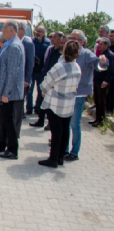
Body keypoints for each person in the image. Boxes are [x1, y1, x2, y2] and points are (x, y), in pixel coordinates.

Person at [64, 30, 109, 162]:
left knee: (74, 123)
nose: (71, 40)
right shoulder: (68, 53)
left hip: (79, 93)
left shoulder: (87, 54)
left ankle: (74, 152)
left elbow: (99, 66)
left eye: (74, 38)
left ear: (82, 42)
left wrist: (103, 62)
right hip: (68, 92)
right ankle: (64, 149)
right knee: (66, 123)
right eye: (70, 37)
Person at [38, 40, 82, 168]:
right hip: (69, 103)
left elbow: (46, 82)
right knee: (65, 130)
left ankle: (53, 158)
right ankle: (60, 157)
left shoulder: (60, 67)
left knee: (56, 132)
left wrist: (43, 90)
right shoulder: (76, 67)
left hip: (56, 103)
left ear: (64, 50)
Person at [0, 20, 25, 160]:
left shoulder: (14, 47)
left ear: (11, 31)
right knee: (3, 119)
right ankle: (1, 144)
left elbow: (12, 73)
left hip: (8, 92)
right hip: (4, 90)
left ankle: (12, 149)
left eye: (4, 28)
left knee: (8, 120)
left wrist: (5, 93)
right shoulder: (10, 45)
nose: (2, 31)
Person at [30, 31, 64, 130]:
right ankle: (40, 120)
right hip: (46, 78)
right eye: (52, 37)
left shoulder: (60, 53)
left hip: (54, 81)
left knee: (51, 104)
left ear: (59, 39)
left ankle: (50, 123)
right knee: (42, 100)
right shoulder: (51, 49)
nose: (52, 39)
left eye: (54, 37)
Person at [89, 37, 114, 127]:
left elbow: (111, 70)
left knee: (101, 101)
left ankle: (101, 121)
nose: (99, 46)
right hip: (97, 80)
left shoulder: (110, 55)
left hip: (102, 81)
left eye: (102, 44)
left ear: (107, 45)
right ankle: (97, 119)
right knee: (97, 101)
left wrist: (106, 80)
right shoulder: (101, 54)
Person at [26, 26, 51, 115]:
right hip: (32, 71)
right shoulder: (32, 41)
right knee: (29, 91)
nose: (38, 32)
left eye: (40, 31)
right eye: (37, 30)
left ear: (44, 33)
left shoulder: (48, 43)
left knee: (40, 91)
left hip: (42, 71)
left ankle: (37, 107)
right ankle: (29, 108)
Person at [16, 21, 34, 134]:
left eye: (17, 28)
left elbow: (30, 62)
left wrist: (27, 79)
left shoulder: (28, 43)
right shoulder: (14, 41)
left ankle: (17, 129)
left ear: (23, 30)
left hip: (23, 79)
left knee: (19, 103)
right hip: (15, 79)